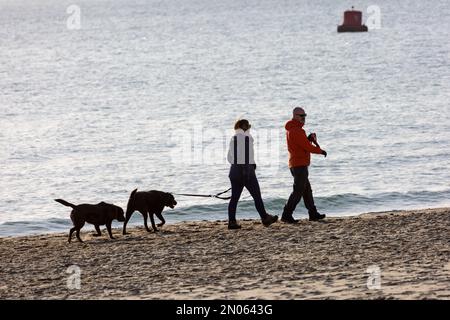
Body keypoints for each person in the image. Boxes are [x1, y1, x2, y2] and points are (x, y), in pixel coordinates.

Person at [226, 119, 278, 229]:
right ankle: (265, 218)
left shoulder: (233, 138)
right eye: (248, 125)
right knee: (257, 196)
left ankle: (231, 222)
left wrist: (238, 166)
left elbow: (229, 158)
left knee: (234, 199)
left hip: (234, 172)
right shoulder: (246, 138)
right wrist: (248, 168)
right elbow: (246, 157)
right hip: (246, 172)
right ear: (244, 127)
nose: (249, 127)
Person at [281, 107, 327, 223]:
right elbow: (307, 147)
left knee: (306, 191)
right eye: (301, 116)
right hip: (299, 165)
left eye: (305, 116)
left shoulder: (293, 130)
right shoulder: (296, 130)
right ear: (295, 116)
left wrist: (308, 139)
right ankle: (286, 214)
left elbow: (302, 144)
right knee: (298, 191)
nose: (304, 118)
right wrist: (320, 151)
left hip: (296, 164)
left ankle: (313, 213)